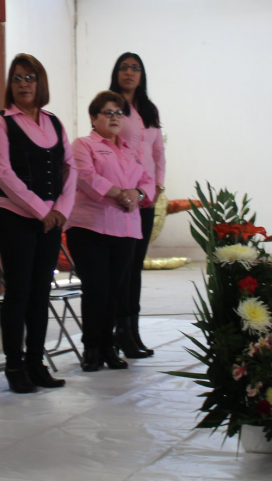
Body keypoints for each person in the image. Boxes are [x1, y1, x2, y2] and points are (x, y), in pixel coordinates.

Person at [0, 53, 76, 393]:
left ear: (41, 83)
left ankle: (36, 363)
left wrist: (62, 209)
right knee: (19, 292)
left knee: (40, 293)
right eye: (17, 78)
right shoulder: (0, 122)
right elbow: (3, 174)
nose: (23, 84)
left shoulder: (54, 122)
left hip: (51, 221)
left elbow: (70, 168)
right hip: (15, 217)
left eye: (30, 78)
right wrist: (42, 209)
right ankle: (14, 366)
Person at [67, 91, 154, 372]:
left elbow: (148, 181)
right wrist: (119, 194)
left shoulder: (131, 150)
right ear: (94, 118)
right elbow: (86, 176)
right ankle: (92, 348)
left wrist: (137, 194)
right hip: (90, 227)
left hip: (126, 229)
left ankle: (109, 346)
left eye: (119, 113)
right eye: (108, 112)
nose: (115, 118)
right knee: (96, 290)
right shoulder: (83, 145)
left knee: (115, 292)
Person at [110, 52, 165, 358]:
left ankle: (133, 331)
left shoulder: (149, 110)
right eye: (124, 67)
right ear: (116, 73)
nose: (129, 72)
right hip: (123, 198)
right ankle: (121, 331)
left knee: (136, 268)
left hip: (146, 198)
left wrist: (158, 185)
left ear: (142, 75)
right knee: (124, 267)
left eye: (135, 68)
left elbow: (158, 152)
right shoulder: (111, 105)